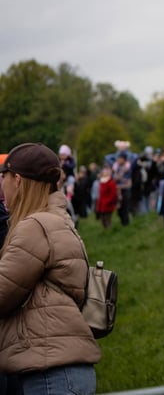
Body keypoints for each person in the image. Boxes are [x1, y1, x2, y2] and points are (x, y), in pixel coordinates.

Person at [0, 143, 100, 393]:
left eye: (4, 177)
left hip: (52, 373)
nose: (2, 186)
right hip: (63, 369)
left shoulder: (36, 226)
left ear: (18, 181)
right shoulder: (57, 219)